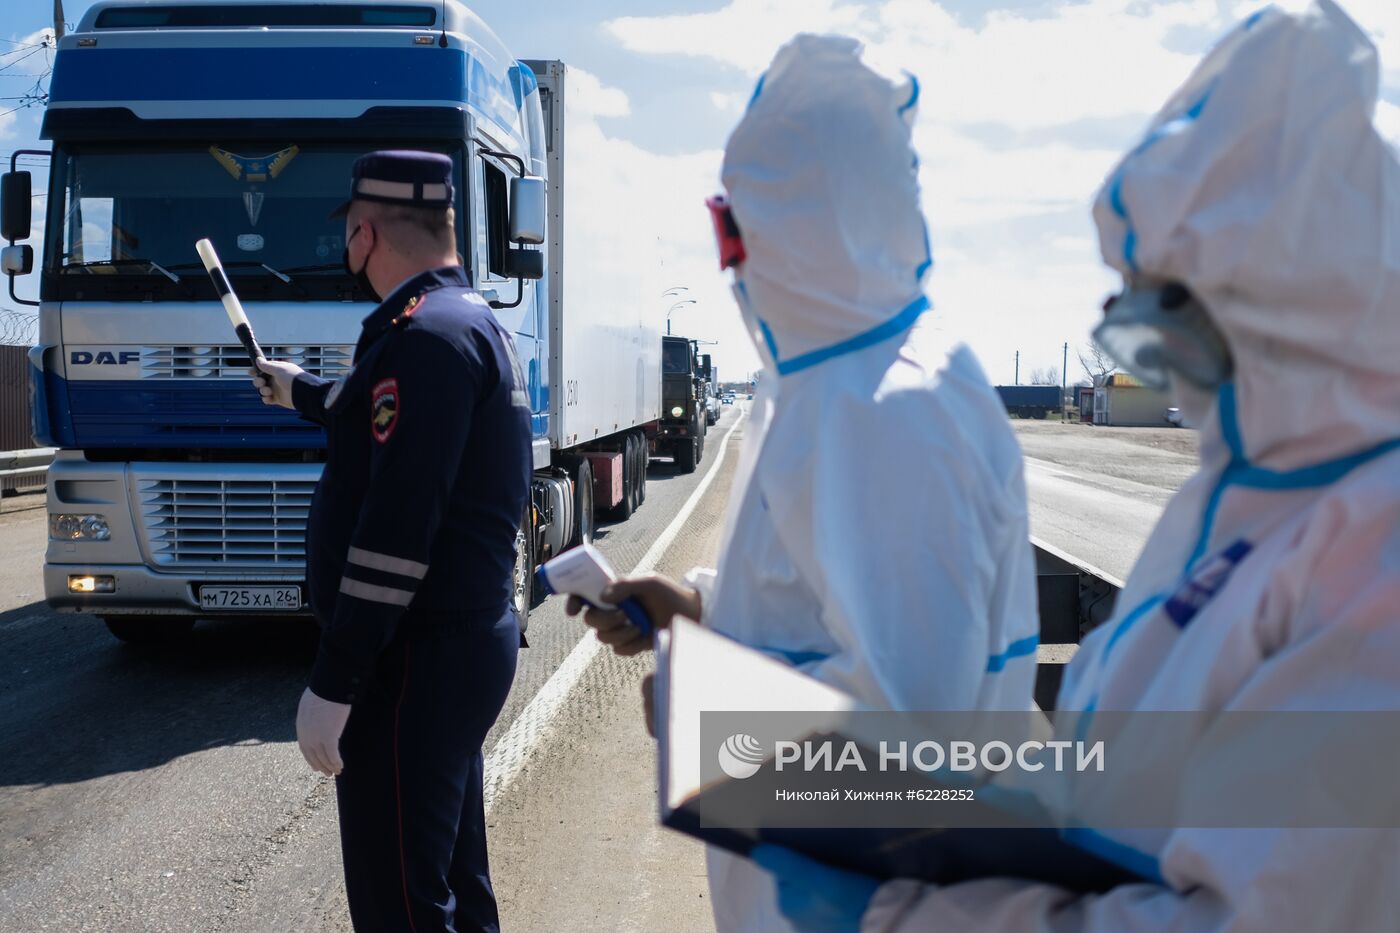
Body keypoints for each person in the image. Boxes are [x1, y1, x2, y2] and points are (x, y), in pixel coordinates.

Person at [752, 3, 1400, 930]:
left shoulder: (1373, 552)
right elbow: (1109, 772)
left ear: (1301, 318)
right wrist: (900, 814)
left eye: (1176, 329)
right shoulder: (1235, 505)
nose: (1170, 373)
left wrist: (908, 913)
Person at [571, 35, 1040, 933]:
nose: (730, 255)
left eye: (732, 223)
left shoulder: (887, 411)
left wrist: (700, 714)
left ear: (786, 222)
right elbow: (832, 607)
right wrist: (700, 610)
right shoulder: (835, 382)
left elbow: (914, 753)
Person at [253, 150, 531, 933]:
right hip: (456, 646)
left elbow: (397, 531)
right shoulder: (464, 323)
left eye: (347, 230)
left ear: (365, 232)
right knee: (451, 880)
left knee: (400, 907)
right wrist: (298, 389)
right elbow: (387, 418)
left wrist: (335, 682)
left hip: (412, 663)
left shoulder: (422, 341)